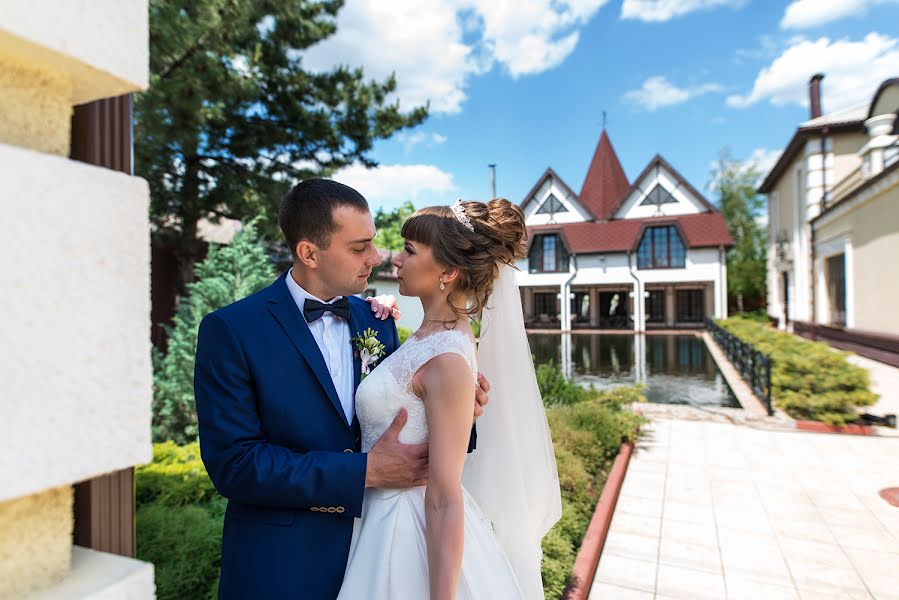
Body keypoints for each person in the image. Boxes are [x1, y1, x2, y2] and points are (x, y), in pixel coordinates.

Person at [194, 179, 489, 600]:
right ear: (309, 253)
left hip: (385, 556)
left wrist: (462, 408)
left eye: (374, 243)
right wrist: (362, 472)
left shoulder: (376, 319)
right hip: (284, 569)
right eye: (359, 248)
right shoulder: (232, 331)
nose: (377, 257)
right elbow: (235, 465)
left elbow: (404, 413)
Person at [337, 199, 562, 600]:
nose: (396, 260)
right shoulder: (427, 339)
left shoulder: (447, 357)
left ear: (449, 272)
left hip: (404, 533)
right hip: (373, 514)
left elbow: (444, 495)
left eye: (409, 250)